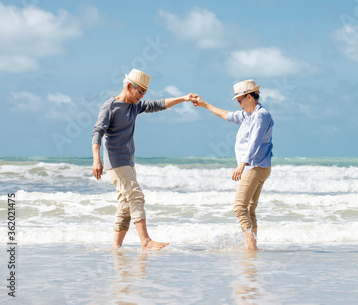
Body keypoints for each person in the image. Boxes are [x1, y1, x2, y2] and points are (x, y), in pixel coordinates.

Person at [92, 68, 195, 250]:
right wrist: (96, 160)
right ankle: (146, 241)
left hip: (128, 161)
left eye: (144, 93)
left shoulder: (135, 106)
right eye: (140, 92)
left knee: (125, 204)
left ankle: (116, 247)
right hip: (115, 162)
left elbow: (159, 104)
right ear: (129, 86)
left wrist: (184, 98)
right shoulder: (110, 106)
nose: (142, 96)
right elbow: (97, 132)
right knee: (136, 196)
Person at [193, 79, 273, 250]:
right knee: (250, 209)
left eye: (240, 99)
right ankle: (253, 246)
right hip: (257, 167)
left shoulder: (261, 115)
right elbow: (226, 115)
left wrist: (243, 163)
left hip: (255, 167)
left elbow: (255, 141)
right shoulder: (248, 116)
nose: (239, 103)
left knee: (239, 206)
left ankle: (251, 247)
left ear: (250, 96)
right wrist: (204, 104)